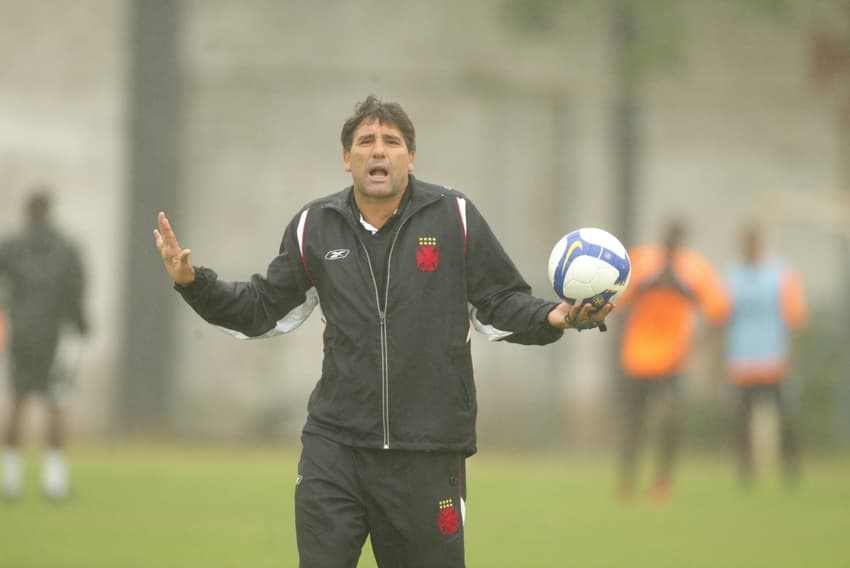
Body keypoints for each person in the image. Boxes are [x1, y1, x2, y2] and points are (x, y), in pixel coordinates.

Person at [154, 95, 612, 567]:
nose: (378, 150)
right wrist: (193, 283)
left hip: (428, 453)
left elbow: (498, 301)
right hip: (335, 451)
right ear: (346, 158)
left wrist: (556, 317)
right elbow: (261, 309)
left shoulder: (454, 216)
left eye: (392, 141)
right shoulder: (315, 226)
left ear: (410, 158)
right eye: (366, 141)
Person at [614, 220, 728, 501]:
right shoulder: (641, 261)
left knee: (669, 420)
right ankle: (627, 482)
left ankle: (662, 481)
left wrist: (700, 349)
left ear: (682, 240)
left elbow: (718, 312)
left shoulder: (695, 269)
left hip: (673, 360)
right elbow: (617, 300)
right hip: (638, 356)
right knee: (634, 422)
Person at [0, 189, 88, 500]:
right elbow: (76, 290)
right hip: (55, 334)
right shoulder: (65, 249)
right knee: (56, 402)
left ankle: (10, 482)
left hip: (20, 332)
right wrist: (81, 326)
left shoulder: (11, 247)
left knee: (18, 400)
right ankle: (55, 483)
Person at [722, 222, 806, 487]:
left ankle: (791, 469)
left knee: (785, 416)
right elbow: (722, 318)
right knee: (742, 420)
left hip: (774, 358)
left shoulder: (780, 273)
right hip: (742, 359)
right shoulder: (731, 275)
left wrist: (791, 356)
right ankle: (745, 474)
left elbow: (793, 317)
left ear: (759, 243)